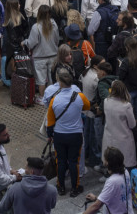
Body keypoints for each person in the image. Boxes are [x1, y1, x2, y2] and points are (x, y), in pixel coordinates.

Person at [46, 68, 91, 197]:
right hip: (76, 135)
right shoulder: (79, 96)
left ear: (59, 83)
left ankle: (60, 187)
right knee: (73, 162)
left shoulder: (54, 100)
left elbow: (50, 123)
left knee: (60, 161)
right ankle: (75, 188)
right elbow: (87, 106)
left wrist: (50, 136)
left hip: (59, 136)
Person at [80, 147, 132, 214]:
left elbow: (96, 206)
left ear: (107, 162)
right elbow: (115, 196)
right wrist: (97, 198)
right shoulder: (125, 172)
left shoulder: (112, 181)